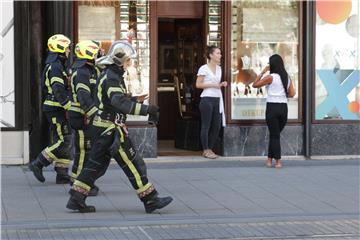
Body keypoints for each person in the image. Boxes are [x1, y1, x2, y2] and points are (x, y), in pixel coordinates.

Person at [66, 41, 173, 213]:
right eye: (128, 60)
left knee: (96, 165)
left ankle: (76, 197)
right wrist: (147, 110)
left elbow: (114, 102)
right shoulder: (111, 77)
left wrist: (134, 100)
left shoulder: (111, 75)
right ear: (119, 60)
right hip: (110, 130)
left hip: (103, 128)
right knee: (132, 162)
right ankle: (150, 199)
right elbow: (118, 102)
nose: (130, 63)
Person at [29, 34, 73, 184]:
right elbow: (58, 90)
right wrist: (69, 107)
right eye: (66, 48)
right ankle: (38, 163)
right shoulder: (55, 67)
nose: (68, 51)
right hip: (56, 109)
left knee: (61, 139)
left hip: (56, 108)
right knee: (64, 141)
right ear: (60, 49)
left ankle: (62, 174)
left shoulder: (57, 65)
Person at [68, 40, 101, 196]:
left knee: (86, 150)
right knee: (83, 150)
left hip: (84, 115)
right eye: (95, 52)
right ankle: (79, 183)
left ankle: (80, 180)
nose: (98, 54)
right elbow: (83, 95)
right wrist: (91, 113)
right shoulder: (82, 71)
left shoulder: (89, 70)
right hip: (81, 116)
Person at [252, 54, 295, 168]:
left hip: (272, 107)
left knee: (274, 135)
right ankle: (269, 160)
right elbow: (292, 93)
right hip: (283, 108)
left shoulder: (271, 77)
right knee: (274, 134)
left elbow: (255, 84)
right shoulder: (287, 77)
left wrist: (262, 72)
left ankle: (278, 161)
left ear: (271, 65)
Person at [195, 45, 227, 159]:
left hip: (217, 99)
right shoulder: (204, 68)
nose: (220, 55)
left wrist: (222, 84)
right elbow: (198, 84)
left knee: (217, 126)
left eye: (220, 53)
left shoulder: (219, 68)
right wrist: (213, 85)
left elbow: (217, 83)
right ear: (211, 55)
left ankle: (210, 148)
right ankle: (206, 150)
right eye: (218, 53)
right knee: (206, 125)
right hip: (207, 99)